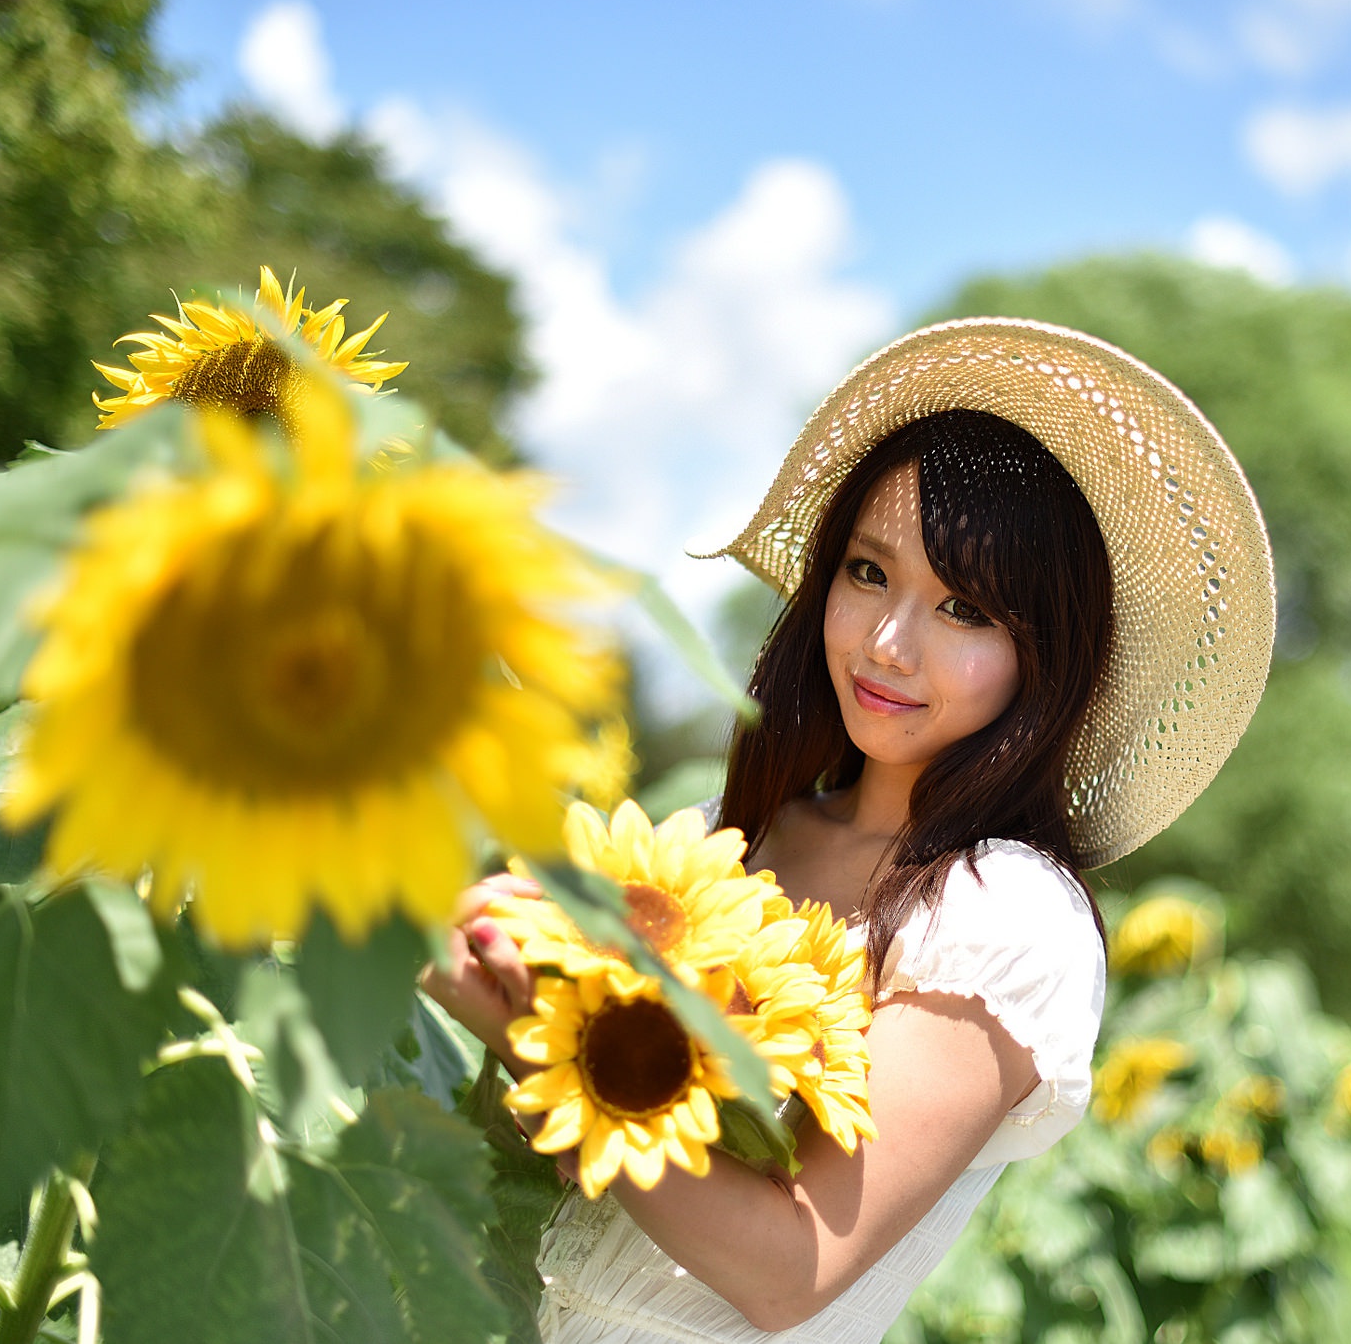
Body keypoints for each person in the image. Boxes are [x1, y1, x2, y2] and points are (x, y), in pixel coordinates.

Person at [424, 317, 1276, 1342]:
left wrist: (565, 1044)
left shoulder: (1003, 918)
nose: (886, 642)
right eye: (869, 572)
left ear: (1044, 659)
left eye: (962, 609)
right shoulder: (715, 837)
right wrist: (505, 977)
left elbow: (789, 1266)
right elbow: (580, 1166)